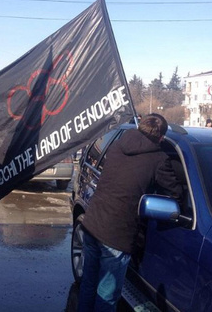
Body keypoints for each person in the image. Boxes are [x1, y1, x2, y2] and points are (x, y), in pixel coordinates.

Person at [77, 114, 183, 311]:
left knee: (88, 284)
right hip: (116, 236)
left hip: (92, 224)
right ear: (161, 137)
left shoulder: (118, 144)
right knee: (107, 296)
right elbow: (175, 192)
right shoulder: (159, 159)